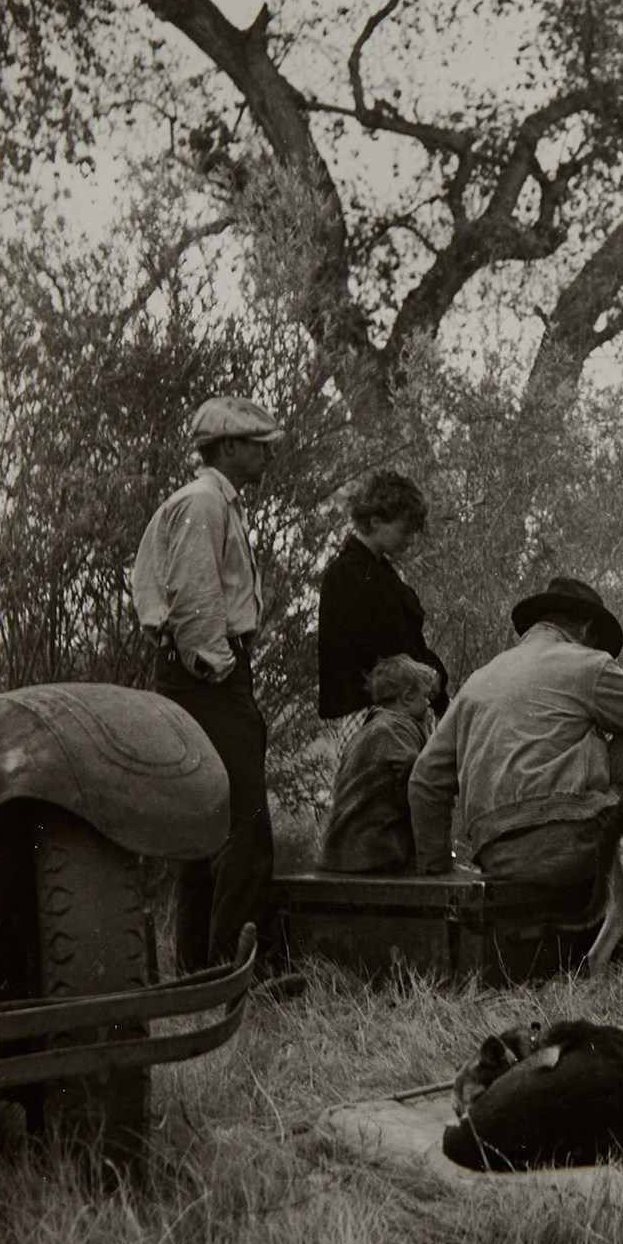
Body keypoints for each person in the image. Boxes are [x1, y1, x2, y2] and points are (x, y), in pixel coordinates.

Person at [132, 394, 299, 989]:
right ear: (227, 448)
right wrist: (223, 670)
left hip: (200, 674)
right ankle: (234, 967)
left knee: (209, 823)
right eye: (257, 445)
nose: (265, 456)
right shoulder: (204, 504)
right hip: (208, 677)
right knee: (244, 824)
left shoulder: (214, 502)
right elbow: (197, 604)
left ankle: (201, 969)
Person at [409, 577, 623, 886]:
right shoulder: (590, 663)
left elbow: (424, 780)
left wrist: (438, 870)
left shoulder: (478, 681)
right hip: (571, 844)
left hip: (497, 856)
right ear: (587, 630)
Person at [318, 471, 449, 761]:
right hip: (375, 715)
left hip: (396, 710)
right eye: (405, 530)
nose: (411, 540)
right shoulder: (351, 574)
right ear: (376, 521)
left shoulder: (377, 573)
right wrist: (431, 679)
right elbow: (391, 648)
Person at [320, 655, 437, 872]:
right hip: (376, 851)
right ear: (407, 696)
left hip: (337, 852)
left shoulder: (365, 730)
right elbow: (417, 790)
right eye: (425, 695)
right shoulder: (399, 728)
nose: (429, 702)